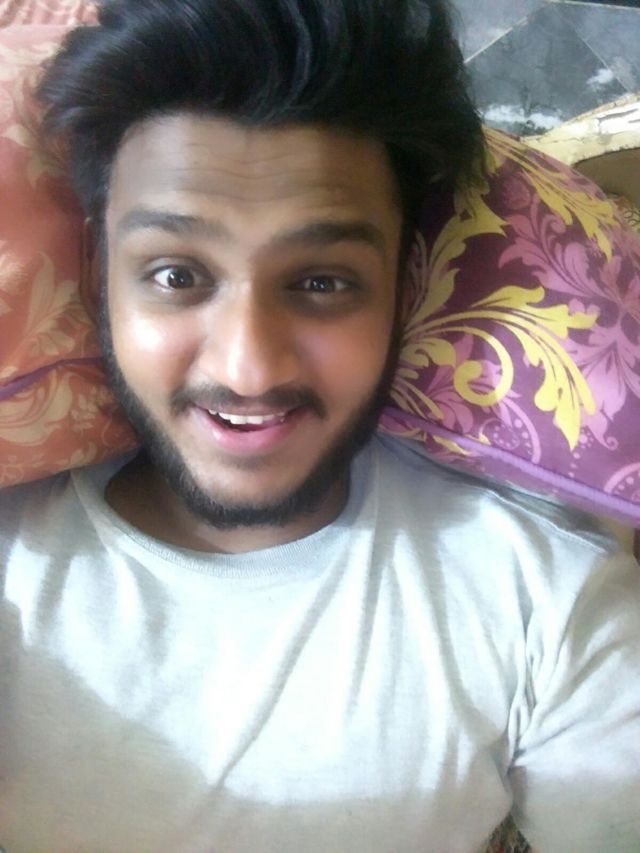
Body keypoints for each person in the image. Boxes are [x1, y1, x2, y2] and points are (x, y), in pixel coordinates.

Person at [0, 1, 638, 851]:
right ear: (96, 272)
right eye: (176, 274)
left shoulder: (547, 601)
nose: (247, 367)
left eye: (323, 282)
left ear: (407, 282)